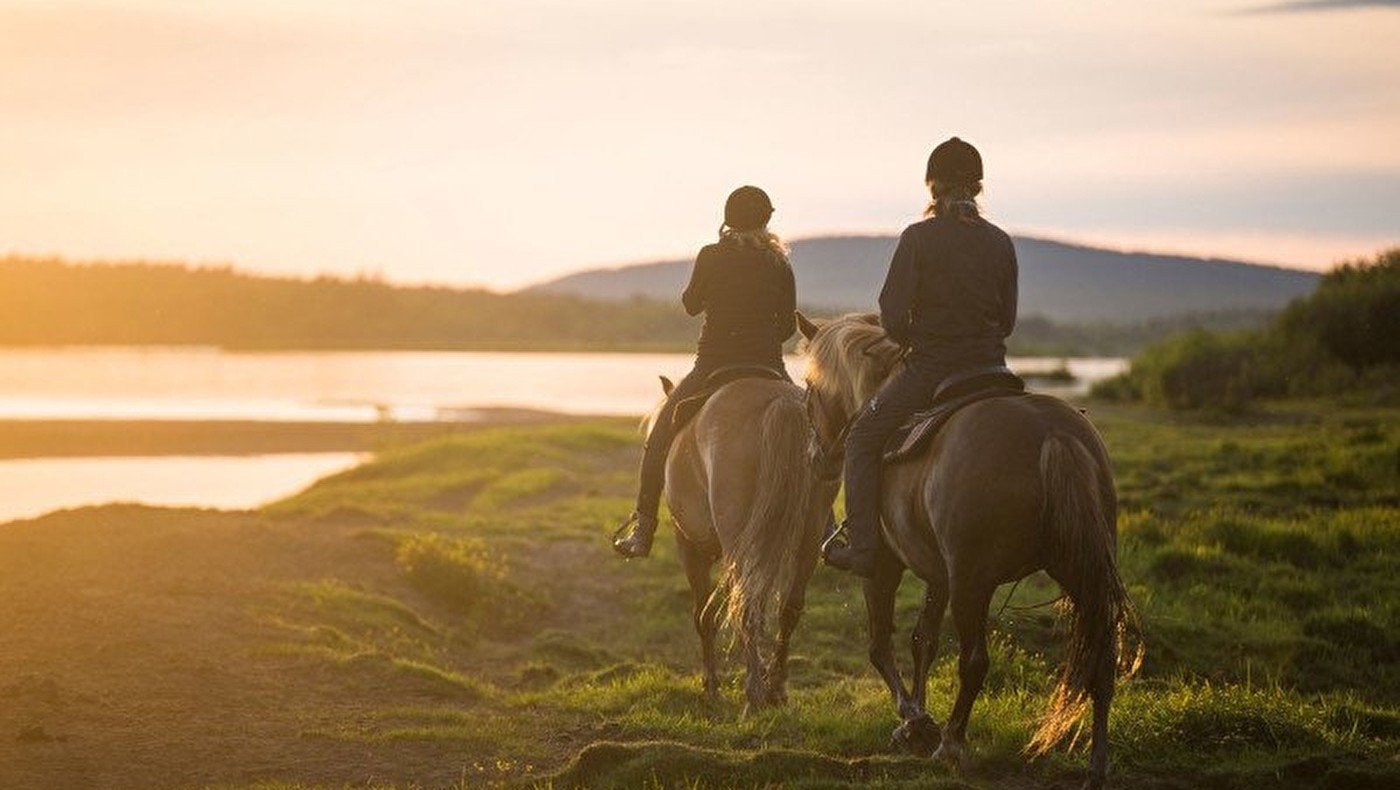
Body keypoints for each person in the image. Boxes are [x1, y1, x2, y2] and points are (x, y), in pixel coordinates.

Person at [822, 137, 1019, 578]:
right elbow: (1006, 320)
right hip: (993, 370)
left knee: (861, 438)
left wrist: (914, 339)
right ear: (979, 188)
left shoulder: (918, 238)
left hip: (931, 369)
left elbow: (891, 314)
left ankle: (862, 548)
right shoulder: (1001, 242)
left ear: (933, 188)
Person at [612, 185, 797, 558]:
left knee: (660, 434)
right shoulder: (779, 262)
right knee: (811, 436)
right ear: (766, 220)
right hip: (769, 366)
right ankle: (825, 527)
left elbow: (691, 305)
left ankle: (643, 527)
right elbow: (788, 329)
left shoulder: (711, 255)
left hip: (713, 364)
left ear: (728, 221)